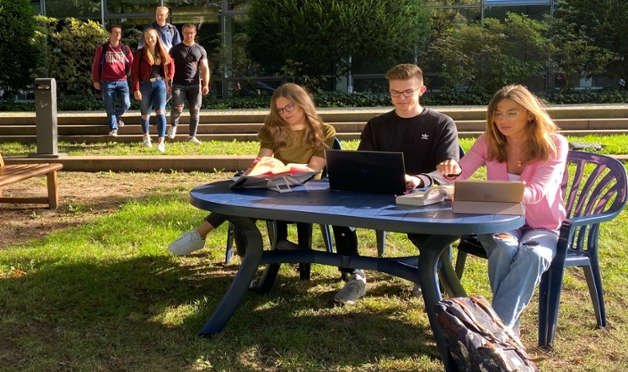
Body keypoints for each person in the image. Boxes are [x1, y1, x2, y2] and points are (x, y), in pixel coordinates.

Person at [438, 85, 568, 334]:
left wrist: (493, 194)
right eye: (497, 113)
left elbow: (537, 191)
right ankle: (506, 330)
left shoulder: (554, 144)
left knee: (535, 255)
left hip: (543, 225)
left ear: (529, 114)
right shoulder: (490, 141)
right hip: (500, 221)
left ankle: (494, 331)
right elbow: (459, 175)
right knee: (504, 247)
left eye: (512, 113)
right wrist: (451, 170)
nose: (502, 120)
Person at [333, 63, 459, 304]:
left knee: (426, 232)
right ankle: (356, 274)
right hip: (380, 192)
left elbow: (447, 170)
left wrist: (418, 179)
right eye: (394, 92)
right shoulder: (377, 125)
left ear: (422, 90)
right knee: (339, 218)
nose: (401, 98)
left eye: (407, 92)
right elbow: (364, 162)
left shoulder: (441, 124)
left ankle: (427, 273)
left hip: (424, 195)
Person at [169, 83, 336, 255]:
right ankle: (243, 260)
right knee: (242, 196)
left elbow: (314, 169)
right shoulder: (273, 129)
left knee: (242, 199)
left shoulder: (324, 131)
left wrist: (285, 170)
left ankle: (201, 234)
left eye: (289, 107)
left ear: (302, 103)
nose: (285, 113)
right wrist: (260, 169)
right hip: (272, 185)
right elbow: (262, 160)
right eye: (280, 110)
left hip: (302, 188)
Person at [132, 28, 175, 153]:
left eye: (152, 37)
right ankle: (146, 136)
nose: (150, 40)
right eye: (147, 38)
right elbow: (134, 73)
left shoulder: (162, 52)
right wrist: (136, 89)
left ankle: (161, 142)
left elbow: (171, 63)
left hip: (159, 84)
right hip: (145, 85)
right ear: (144, 39)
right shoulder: (140, 53)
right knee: (145, 113)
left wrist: (169, 77)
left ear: (156, 38)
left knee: (160, 112)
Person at [168, 24, 210, 144]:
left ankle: (192, 136)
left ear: (195, 33)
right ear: (182, 33)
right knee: (178, 107)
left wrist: (206, 84)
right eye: (186, 33)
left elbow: (205, 68)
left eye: (191, 33)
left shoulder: (200, 50)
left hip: (195, 84)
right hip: (178, 84)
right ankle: (173, 125)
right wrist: (168, 82)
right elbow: (168, 67)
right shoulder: (175, 49)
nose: (188, 35)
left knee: (195, 110)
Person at [92, 24, 134, 137]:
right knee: (109, 107)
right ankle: (113, 128)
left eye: (119, 32)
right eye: (115, 32)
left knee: (126, 104)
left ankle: (115, 117)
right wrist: (95, 80)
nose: (118, 34)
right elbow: (96, 65)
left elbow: (132, 65)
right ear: (110, 34)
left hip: (122, 81)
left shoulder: (125, 49)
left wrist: (136, 79)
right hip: (107, 82)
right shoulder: (102, 48)